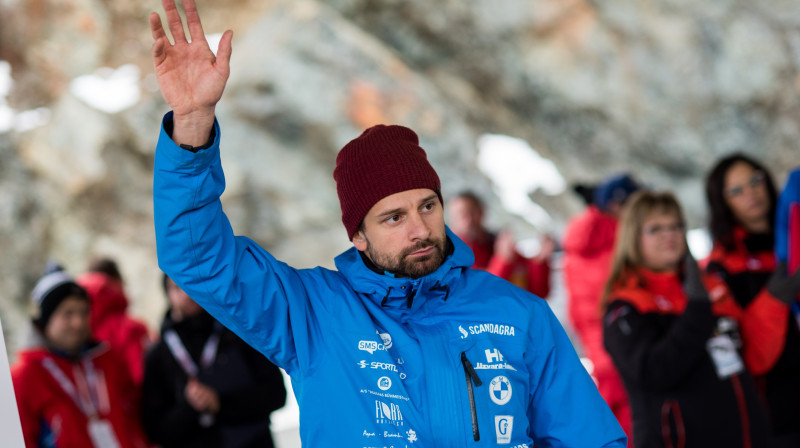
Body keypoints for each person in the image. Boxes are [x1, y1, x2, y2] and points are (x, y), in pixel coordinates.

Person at [147, 0, 627, 445]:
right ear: (357, 234)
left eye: (427, 206)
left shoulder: (518, 314)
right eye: (393, 217)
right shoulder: (312, 314)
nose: (419, 229)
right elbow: (197, 257)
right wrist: (191, 125)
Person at [602, 191, 771, 448]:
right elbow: (652, 373)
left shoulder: (710, 285)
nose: (669, 234)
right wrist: (698, 310)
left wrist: (776, 298)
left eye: (676, 226)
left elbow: (750, 353)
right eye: (655, 229)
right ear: (632, 238)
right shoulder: (625, 306)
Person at [703, 154, 800, 447]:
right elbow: (743, 356)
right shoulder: (720, 268)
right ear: (722, 202)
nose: (751, 193)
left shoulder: (791, 242)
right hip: (778, 414)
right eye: (736, 190)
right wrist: (775, 298)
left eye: (755, 180)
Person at [11, 263, 149, 448]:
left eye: (83, 313)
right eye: (67, 314)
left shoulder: (108, 361)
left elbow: (135, 419)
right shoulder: (24, 376)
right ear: (45, 321)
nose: (78, 322)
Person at [141, 274, 286, 448]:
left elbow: (277, 394)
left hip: (254, 441)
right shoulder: (158, 355)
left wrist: (221, 404)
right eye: (177, 288)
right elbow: (157, 430)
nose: (186, 294)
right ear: (167, 294)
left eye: (190, 285)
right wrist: (188, 407)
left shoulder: (238, 330)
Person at [562, 173, 639, 443]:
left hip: (599, 347)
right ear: (618, 205)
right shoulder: (616, 238)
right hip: (624, 345)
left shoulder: (583, 239)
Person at [447, 190, 552, 298]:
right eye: (460, 215)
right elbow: (481, 296)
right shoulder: (451, 257)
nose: (468, 221)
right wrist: (503, 261)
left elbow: (538, 293)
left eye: (471, 212)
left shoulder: (498, 242)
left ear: (481, 211)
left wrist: (539, 263)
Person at [77, 256, 152, 386]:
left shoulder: (72, 323)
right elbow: (143, 377)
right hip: (123, 403)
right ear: (117, 282)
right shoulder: (132, 329)